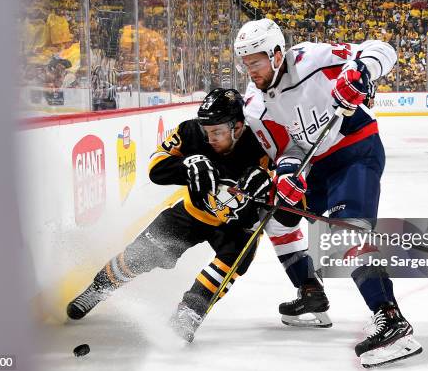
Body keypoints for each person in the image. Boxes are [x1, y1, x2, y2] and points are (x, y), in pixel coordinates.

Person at [66, 88, 328, 342]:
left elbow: (292, 213)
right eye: (207, 131)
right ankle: (98, 288)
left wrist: (272, 187)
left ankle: (188, 315)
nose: (210, 138)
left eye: (217, 132)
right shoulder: (191, 132)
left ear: (238, 128)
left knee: (222, 272)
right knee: (138, 256)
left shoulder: (263, 143)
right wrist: (186, 165)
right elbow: (155, 169)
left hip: (239, 229)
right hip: (191, 214)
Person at [234, 18, 422, 367]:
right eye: (245, 64)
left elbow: (382, 49)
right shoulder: (256, 103)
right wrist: (288, 172)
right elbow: (287, 147)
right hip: (321, 166)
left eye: (256, 61)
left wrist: (361, 72)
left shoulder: (311, 58)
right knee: (281, 218)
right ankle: (310, 292)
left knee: (347, 234)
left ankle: (391, 318)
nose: (251, 70)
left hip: (356, 150)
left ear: (276, 54)